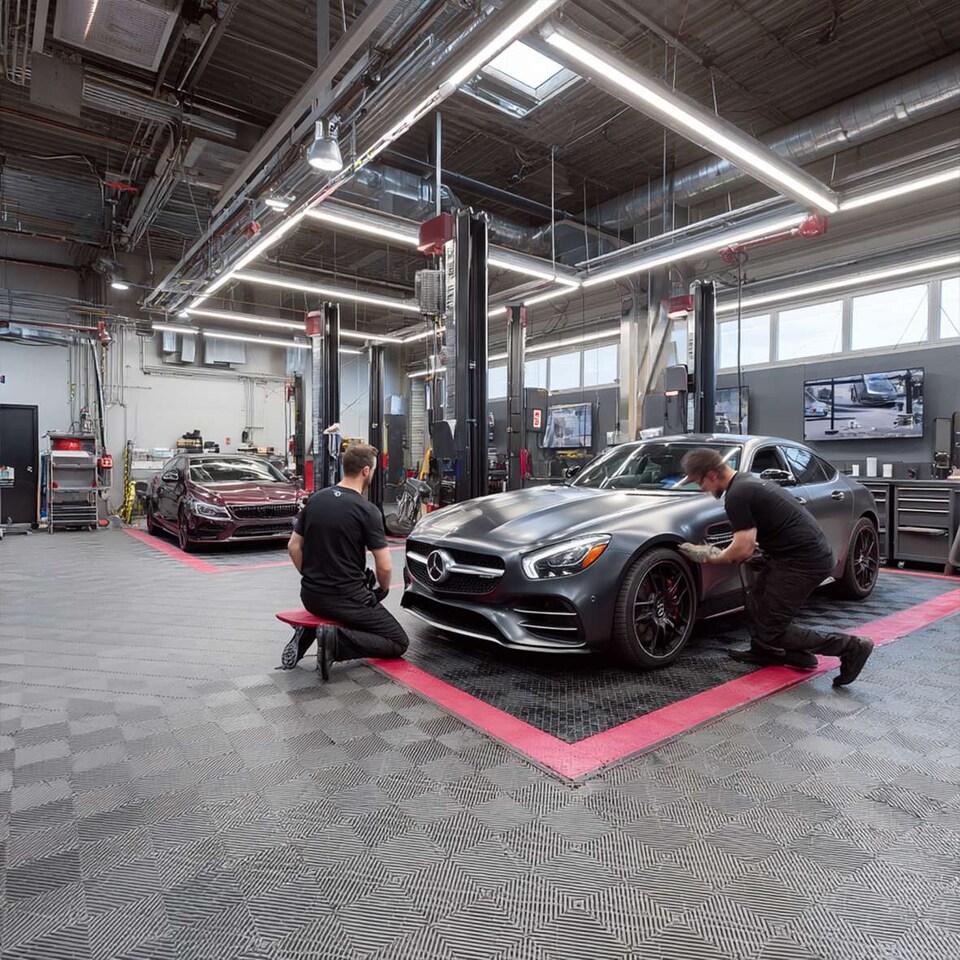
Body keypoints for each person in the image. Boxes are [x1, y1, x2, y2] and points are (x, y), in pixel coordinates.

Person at [678, 448, 874, 687]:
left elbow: (742, 550)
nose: (701, 489)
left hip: (803, 562)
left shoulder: (738, 494)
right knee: (755, 601)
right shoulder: (746, 482)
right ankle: (768, 652)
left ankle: (851, 647)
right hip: (792, 555)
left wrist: (707, 556)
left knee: (773, 629)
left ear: (711, 475)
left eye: (700, 483)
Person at [281, 442, 408, 679]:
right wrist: (383, 588)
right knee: (398, 641)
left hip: (311, 597)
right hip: (347, 599)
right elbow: (385, 564)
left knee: (358, 612)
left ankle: (314, 631)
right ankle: (334, 642)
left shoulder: (315, 500)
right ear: (366, 471)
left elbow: (293, 547)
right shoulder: (366, 510)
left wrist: (311, 576)